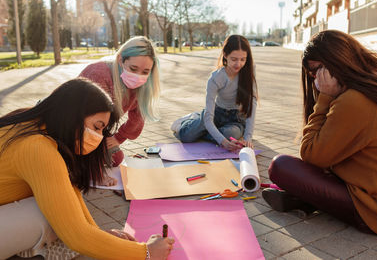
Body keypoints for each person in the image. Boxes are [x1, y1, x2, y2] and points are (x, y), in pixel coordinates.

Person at [0, 79, 174, 259]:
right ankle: (39, 248)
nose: (98, 137)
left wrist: (98, 234)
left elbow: (68, 190)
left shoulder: (33, 122)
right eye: (96, 127)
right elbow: (76, 234)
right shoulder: (38, 148)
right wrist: (146, 253)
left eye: (102, 131)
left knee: (59, 206)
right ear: (72, 114)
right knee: (46, 216)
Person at [263, 30, 377, 236]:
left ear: (337, 60)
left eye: (317, 70)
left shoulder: (354, 100)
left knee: (280, 166)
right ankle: (302, 200)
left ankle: (305, 200)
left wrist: (324, 99)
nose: (316, 79)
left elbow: (311, 155)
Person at [79, 36, 160, 172]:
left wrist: (118, 137)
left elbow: (138, 119)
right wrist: (96, 169)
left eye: (145, 72)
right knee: (90, 166)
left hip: (98, 129)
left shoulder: (141, 86)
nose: (138, 76)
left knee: (116, 158)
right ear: (120, 60)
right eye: (133, 69)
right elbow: (89, 122)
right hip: (76, 128)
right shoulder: (99, 74)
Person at [171, 35, 258, 151]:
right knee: (186, 136)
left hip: (236, 119)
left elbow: (252, 104)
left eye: (243, 59)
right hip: (216, 113)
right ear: (225, 55)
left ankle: (206, 131)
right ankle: (192, 121)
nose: (238, 64)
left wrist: (248, 138)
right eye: (234, 59)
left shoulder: (249, 70)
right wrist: (223, 142)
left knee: (231, 133)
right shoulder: (216, 78)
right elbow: (209, 118)